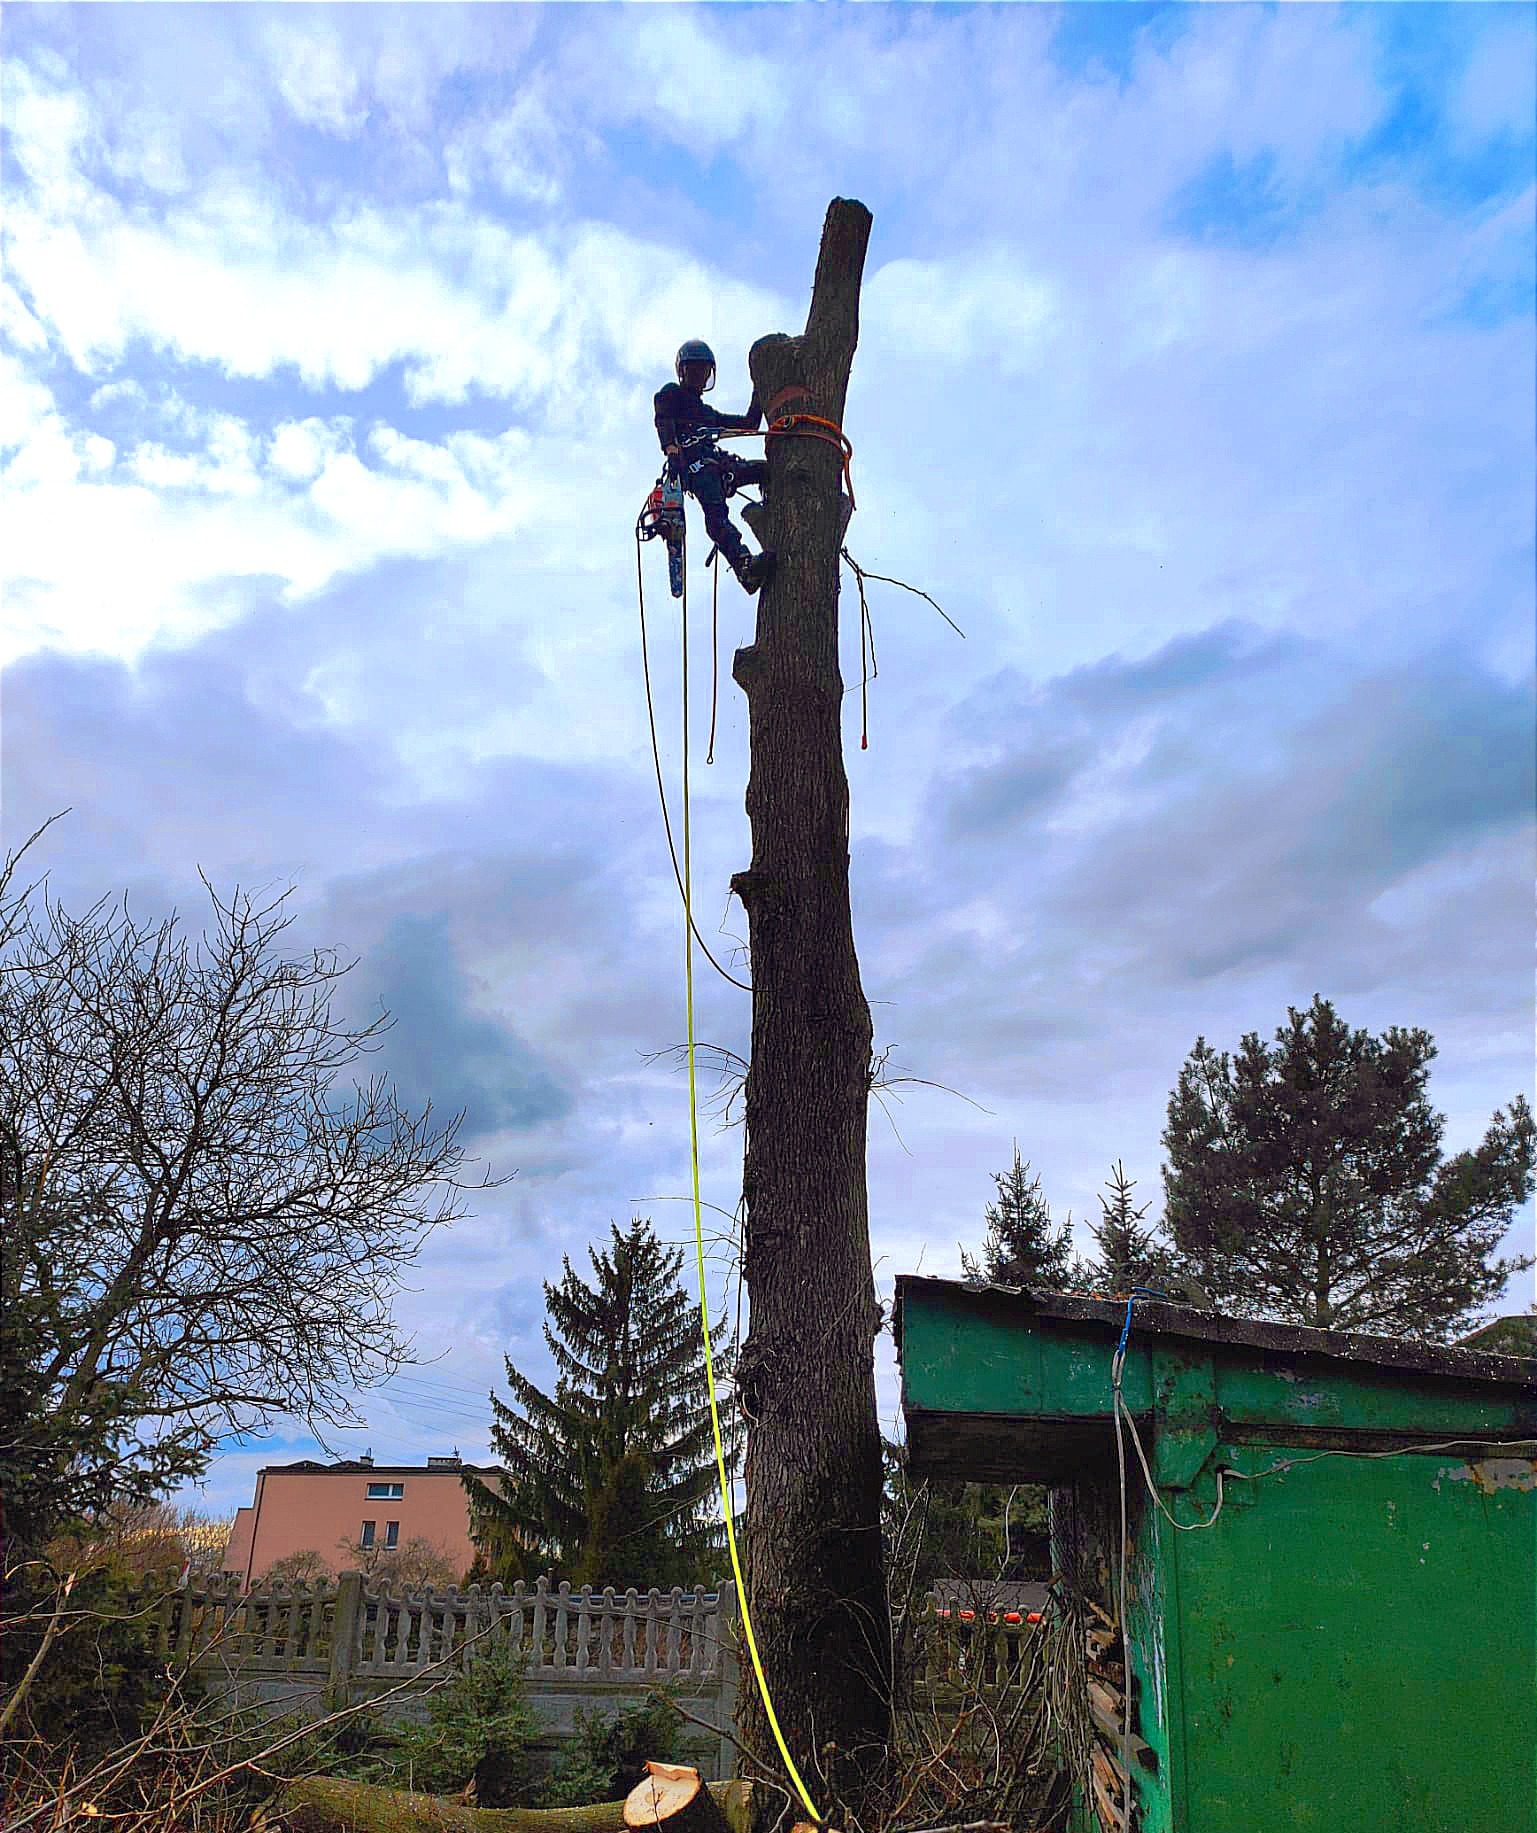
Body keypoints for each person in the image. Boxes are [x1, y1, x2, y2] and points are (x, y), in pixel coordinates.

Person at [653, 339, 775, 594]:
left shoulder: (707, 414)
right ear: (683, 372)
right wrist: (672, 451)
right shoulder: (671, 395)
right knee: (716, 515)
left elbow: (749, 424)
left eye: (703, 372)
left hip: (720, 466)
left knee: (766, 470)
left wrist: (760, 389)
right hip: (696, 467)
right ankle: (745, 567)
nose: (699, 376)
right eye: (695, 371)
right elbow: (663, 420)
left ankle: (775, 508)